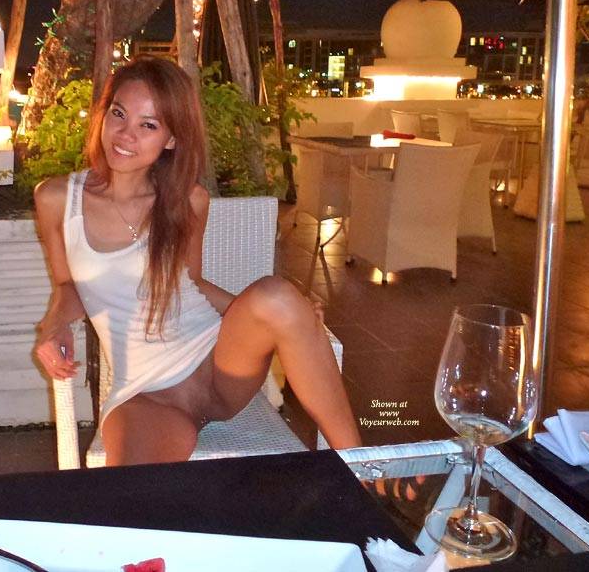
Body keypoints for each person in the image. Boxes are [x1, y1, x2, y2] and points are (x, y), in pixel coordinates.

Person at [33, 57, 361, 465]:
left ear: (171, 139)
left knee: (277, 295)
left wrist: (285, 316)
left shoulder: (187, 200)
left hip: (218, 364)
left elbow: (192, 282)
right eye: (119, 114)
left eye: (148, 125)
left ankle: (363, 466)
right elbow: (69, 286)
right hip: (145, 392)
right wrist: (54, 324)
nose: (125, 134)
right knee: (132, 493)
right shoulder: (57, 199)